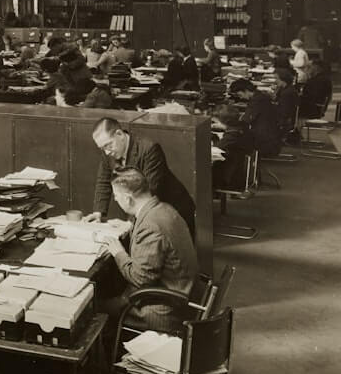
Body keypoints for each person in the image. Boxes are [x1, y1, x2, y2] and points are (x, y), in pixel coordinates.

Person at [98, 170, 198, 333]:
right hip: (180, 293)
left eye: (116, 195)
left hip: (162, 310)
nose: (115, 199)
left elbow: (140, 279)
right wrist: (129, 227)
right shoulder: (164, 209)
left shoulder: (151, 226)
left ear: (128, 199)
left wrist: (118, 252)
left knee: (95, 308)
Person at [85, 117, 196, 237]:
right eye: (102, 148)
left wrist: (130, 223)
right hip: (146, 211)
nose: (106, 152)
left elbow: (149, 191)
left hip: (172, 209)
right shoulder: (109, 151)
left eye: (108, 145)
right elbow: (104, 180)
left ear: (119, 134)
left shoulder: (149, 149)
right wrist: (98, 212)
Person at [230, 79, 282, 158]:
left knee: (232, 141)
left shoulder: (257, 100)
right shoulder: (260, 96)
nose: (240, 98)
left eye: (239, 94)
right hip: (269, 136)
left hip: (263, 141)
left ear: (246, 90)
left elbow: (245, 120)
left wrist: (224, 125)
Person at [212, 105, 255, 191]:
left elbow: (217, 148)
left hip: (228, 177)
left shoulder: (233, 134)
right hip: (235, 170)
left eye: (217, 122)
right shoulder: (242, 126)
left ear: (225, 122)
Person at [273, 68, 300, 142]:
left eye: (276, 79)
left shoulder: (286, 93)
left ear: (283, 79)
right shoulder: (288, 89)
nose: (275, 81)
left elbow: (283, 112)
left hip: (284, 120)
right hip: (287, 118)